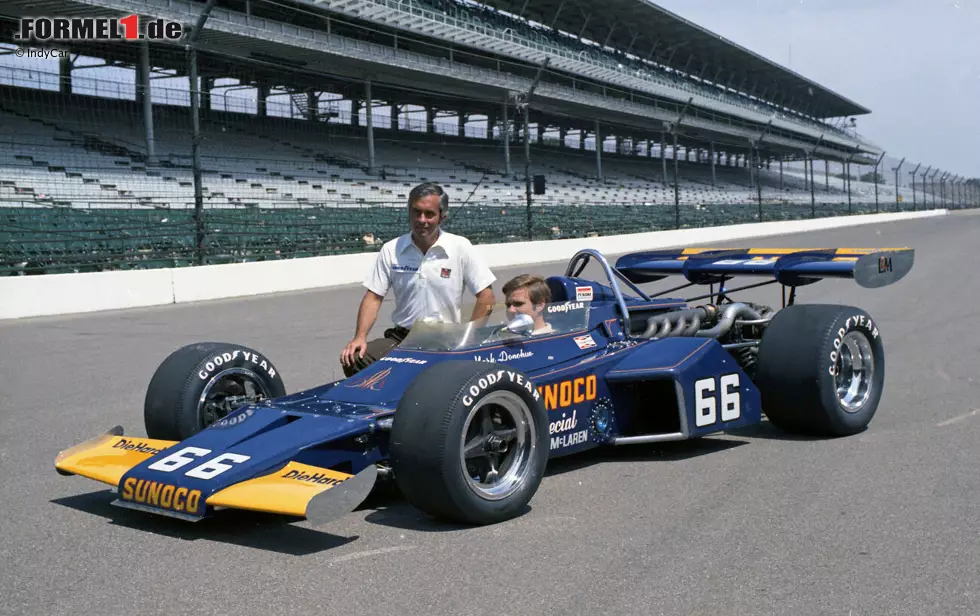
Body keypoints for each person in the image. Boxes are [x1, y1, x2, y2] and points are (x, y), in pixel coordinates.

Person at [339, 182, 497, 376]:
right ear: (409, 213)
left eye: (429, 214)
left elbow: (486, 296)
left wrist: (469, 338)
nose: (422, 219)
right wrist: (359, 337)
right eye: (417, 212)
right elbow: (374, 297)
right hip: (402, 339)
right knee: (354, 359)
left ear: (442, 217)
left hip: (445, 340)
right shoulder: (391, 249)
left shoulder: (460, 247)